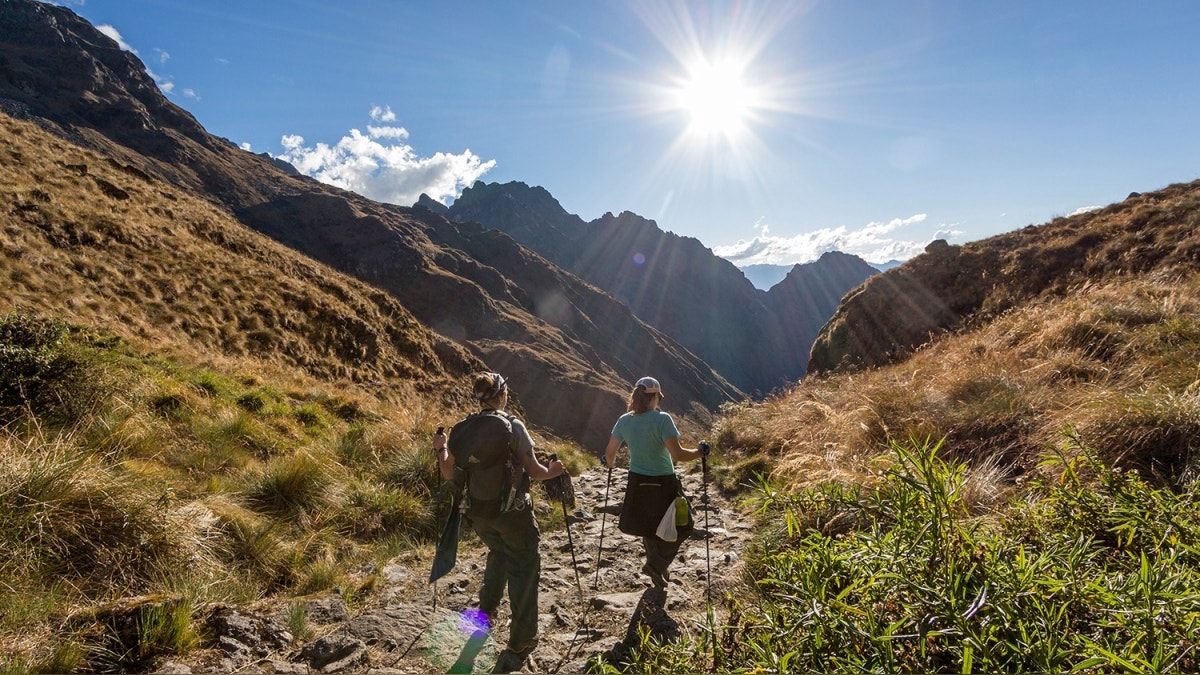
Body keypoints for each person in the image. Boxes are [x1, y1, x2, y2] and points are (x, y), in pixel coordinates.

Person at [435, 372, 565, 674]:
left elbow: (449, 472)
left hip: (479, 514)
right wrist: (555, 471)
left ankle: (485, 616)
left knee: (499, 554)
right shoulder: (513, 426)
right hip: (513, 514)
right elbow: (534, 471)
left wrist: (441, 446)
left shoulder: (463, 429)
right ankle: (521, 641)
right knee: (523, 569)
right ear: (502, 395)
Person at [604, 376, 708, 589]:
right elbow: (678, 455)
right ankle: (656, 565)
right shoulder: (662, 420)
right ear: (655, 397)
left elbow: (609, 454)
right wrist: (700, 452)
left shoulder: (624, 420)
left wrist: (609, 463)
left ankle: (658, 569)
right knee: (684, 526)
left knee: (650, 526)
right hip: (664, 482)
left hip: (637, 481)